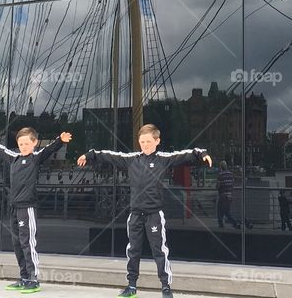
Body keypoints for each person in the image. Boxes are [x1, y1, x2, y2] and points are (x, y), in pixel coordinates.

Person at [77, 124, 212, 298]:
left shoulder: (163, 158)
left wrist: (202, 154)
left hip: (154, 214)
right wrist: (89, 155)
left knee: (160, 251)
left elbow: (185, 155)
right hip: (135, 215)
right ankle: (131, 286)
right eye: (142, 141)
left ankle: (165, 287)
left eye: (148, 141)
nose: (145, 145)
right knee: (133, 250)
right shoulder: (132, 159)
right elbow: (108, 155)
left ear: (157, 141)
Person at [0, 126, 71, 293]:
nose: (23, 146)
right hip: (14, 208)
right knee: (17, 243)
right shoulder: (14, 158)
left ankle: (33, 279)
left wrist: (60, 140)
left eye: (26, 143)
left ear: (34, 143)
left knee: (28, 243)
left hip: (27, 208)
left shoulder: (35, 158)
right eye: (21, 143)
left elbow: (49, 149)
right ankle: (24, 277)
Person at [215, 161, 241, 229]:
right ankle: (235, 223)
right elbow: (232, 184)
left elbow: (217, 186)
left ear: (221, 167)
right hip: (230, 195)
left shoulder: (220, 175)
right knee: (227, 212)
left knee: (219, 211)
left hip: (223, 195)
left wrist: (217, 187)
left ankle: (221, 225)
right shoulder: (231, 174)